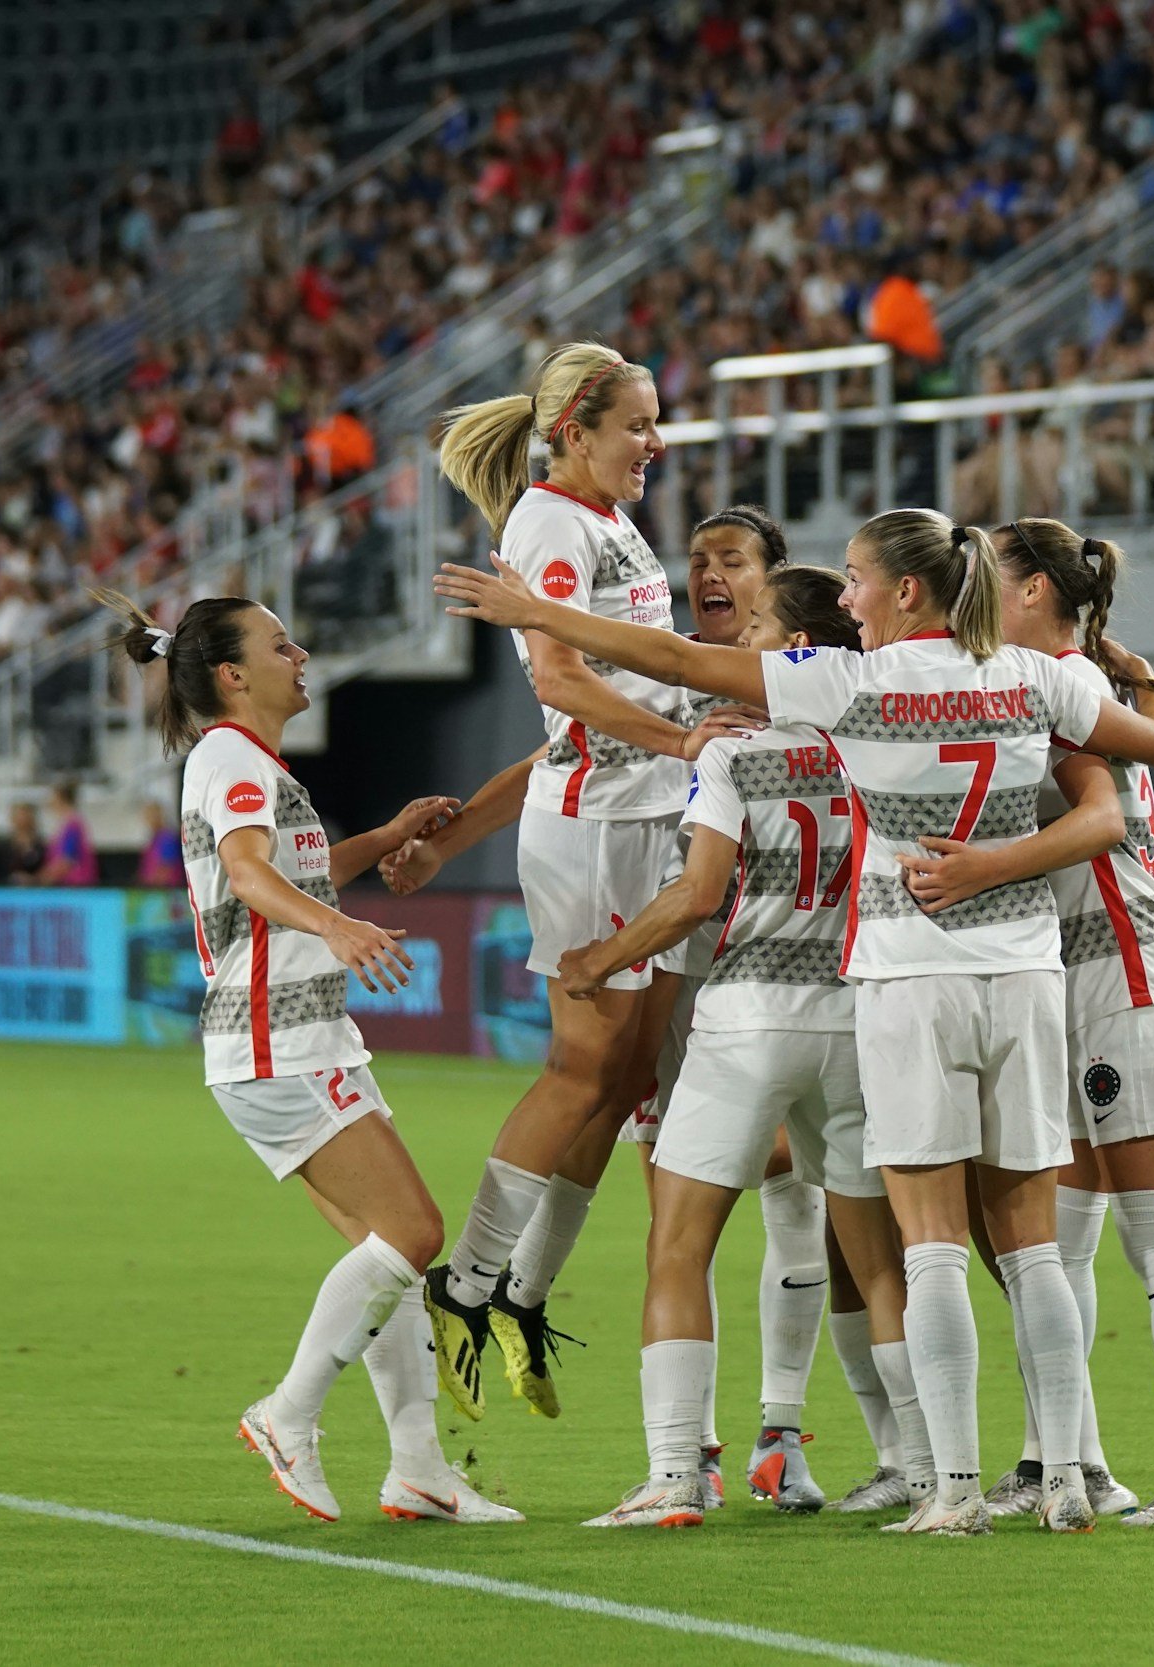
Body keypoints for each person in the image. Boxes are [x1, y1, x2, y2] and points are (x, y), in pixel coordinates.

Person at [435, 505, 1154, 1535]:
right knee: (1022, 1249)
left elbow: (673, 669)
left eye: (858, 577)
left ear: (906, 591)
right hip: (1009, 978)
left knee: (893, 1247)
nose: (847, 595)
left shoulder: (845, 689)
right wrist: (1142, 679)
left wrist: (537, 614)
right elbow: (1151, 748)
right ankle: (1060, 1475)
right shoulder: (1033, 676)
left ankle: (921, 1485)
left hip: (878, 986)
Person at [380, 505, 822, 1506]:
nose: (711, 575)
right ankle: (690, 1447)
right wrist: (452, 839)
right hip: (682, 950)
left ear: (775, 578)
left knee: (793, 1185)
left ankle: (783, 1432)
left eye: (734, 559)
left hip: (768, 964)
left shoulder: (810, 680)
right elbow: (565, 753)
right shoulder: (672, 672)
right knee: (676, 1191)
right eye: (698, 559)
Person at [94, 587, 513, 1526]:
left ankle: (419, 1471)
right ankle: (288, 1412)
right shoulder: (229, 757)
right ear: (233, 674)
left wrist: (386, 838)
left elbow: (287, 869)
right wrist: (337, 926)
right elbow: (250, 875)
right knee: (413, 1232)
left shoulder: (249, 763)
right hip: (276, 1041)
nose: (302, 656)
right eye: (280, 645)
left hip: (291, 1040)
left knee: (383, 1256)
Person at [419, 342, 745, 1428]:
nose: (656, 442)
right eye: (637, 424)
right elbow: (560, 681)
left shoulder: (608, 519)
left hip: (645, 812)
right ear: (574, 431)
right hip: (598, 826)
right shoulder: (552, 524)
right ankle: (466, 1284)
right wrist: (684, 738)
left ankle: (523, 1291)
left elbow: (615, 673)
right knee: (580, 1068)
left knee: (628, 1076)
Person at [550, 568, 912, 1529]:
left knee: (678, 1242)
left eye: (757, 624)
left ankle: (675, 1473)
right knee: (877, 1262)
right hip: (854, 1019)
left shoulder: (733, 757)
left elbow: (698, 894)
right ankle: (921, 1464)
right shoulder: (882, 744)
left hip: (748, 1017)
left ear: (795, 649)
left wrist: (602, 958)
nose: (741, 639)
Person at [931, 518, 1154, 1528]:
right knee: (1055, 1241)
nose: (970, 590)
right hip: (1069, 976)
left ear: (1030, 591)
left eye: (987, 573)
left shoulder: (1055, 688)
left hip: (1125, 972)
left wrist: (982, 867)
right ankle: (1065, 1457)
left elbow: (1099, 820)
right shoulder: (1075, 683)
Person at [35, 780, 98, 887]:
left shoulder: (72, 825)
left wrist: (39, 879)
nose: (50, 801)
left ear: (61, 799)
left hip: (75, 884)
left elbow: (67, 860)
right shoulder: (65, 824)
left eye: (53, 797)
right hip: (67, 883)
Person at [137, 799, 186, 889]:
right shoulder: (154, 839)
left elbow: (167, 868)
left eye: (152, 816)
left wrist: (152, 885)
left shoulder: (167, 838)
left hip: (165, 891)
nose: (149, 820)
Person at [6, 800, 47, 884]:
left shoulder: (42, 846)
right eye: (20, 816)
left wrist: (33, 879)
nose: (23, 820)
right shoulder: (5, 845)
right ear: (13, 818)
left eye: (25, 816)